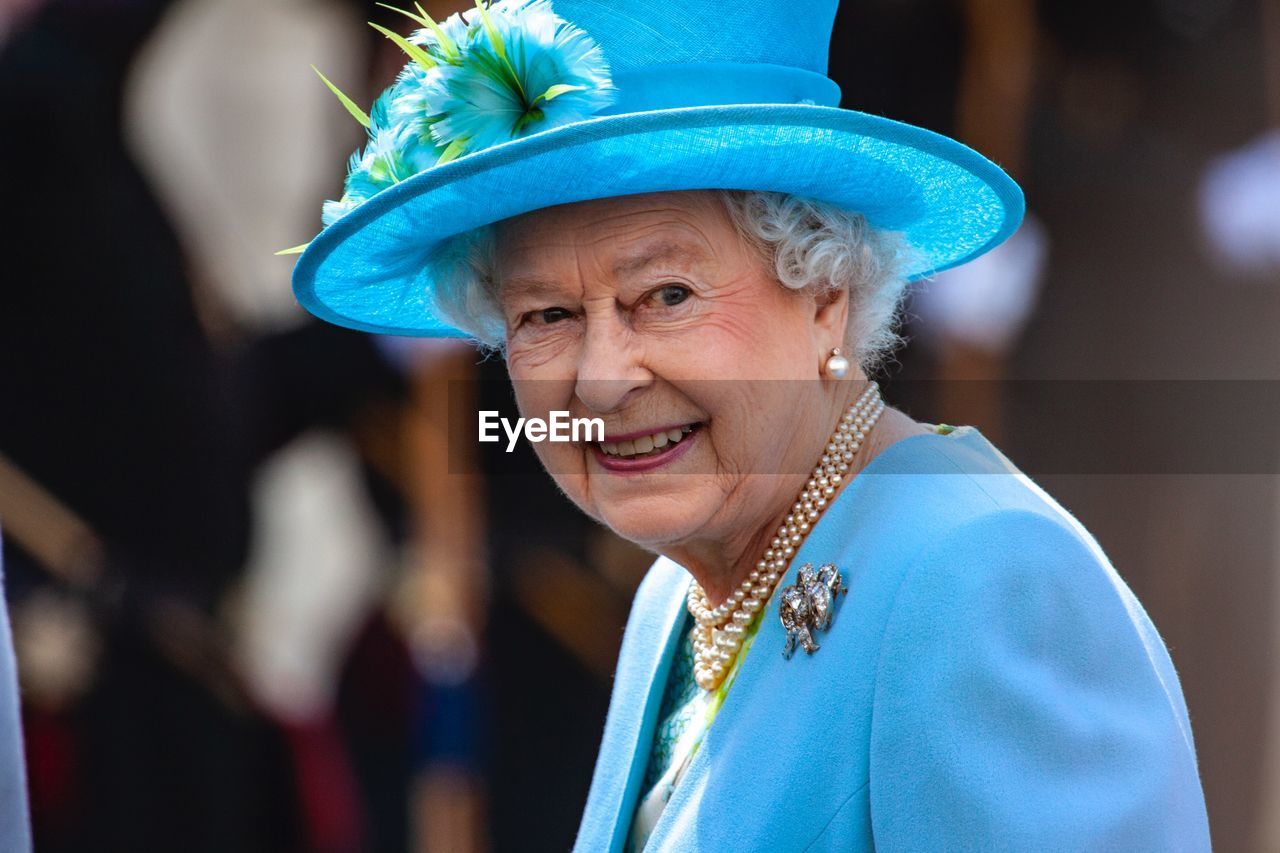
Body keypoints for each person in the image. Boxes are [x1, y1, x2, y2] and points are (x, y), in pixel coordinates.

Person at [284, 0, 1212, 848]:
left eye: (667, 295)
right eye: (546, 317)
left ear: (826, 299)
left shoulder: (982, 578)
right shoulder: (673, 595)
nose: (601, 380)